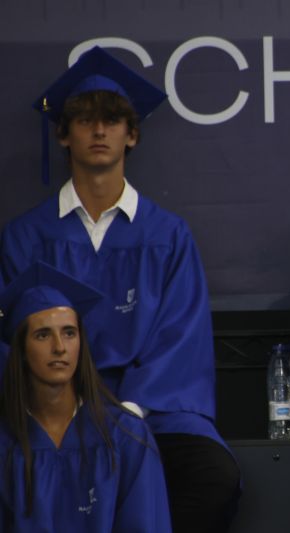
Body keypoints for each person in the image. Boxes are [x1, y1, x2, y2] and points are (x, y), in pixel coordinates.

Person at [0, 46, 240, 532]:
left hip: (148, 408)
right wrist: (66, 405)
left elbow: (180, 337)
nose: (99, 130)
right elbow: (10, 336)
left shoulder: (167, 236)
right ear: (64, 135)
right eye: (85, 120)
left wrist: (127, 412)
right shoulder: (26, 237)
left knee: (213, 477)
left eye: (112, 119)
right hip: (50, 405)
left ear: (132, 134)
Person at [0, 261, 172, 531]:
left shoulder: (124, 436)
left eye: (69, 333)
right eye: (43, 335)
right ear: (21, 350)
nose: (60, 348)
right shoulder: (5, 443)